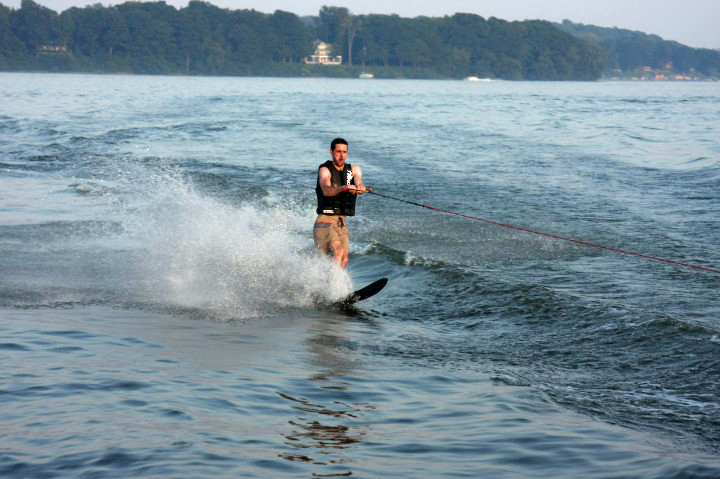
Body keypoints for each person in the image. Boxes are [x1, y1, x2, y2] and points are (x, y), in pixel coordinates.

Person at [313, 138, 367, 268]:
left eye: (344, 152)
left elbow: (359, 181)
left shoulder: (354, 169)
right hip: (324, 222)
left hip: (341, 224)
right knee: (338, 251)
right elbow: (326, 190)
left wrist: (360, 187)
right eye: (338, 152)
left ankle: (336, 285)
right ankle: (333, 286)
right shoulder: (325, 170)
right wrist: (344, 188)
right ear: (331, 152)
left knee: (344, 259)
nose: (341, 155)